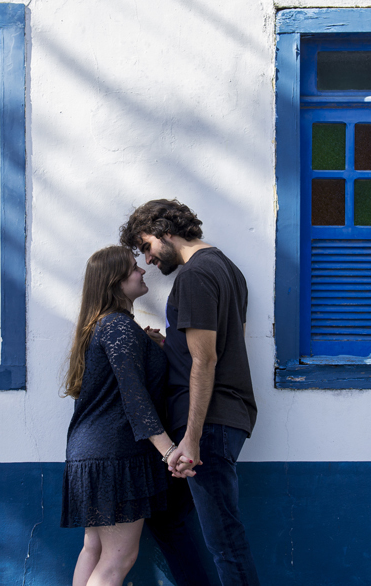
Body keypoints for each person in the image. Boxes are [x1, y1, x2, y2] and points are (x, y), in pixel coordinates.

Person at [120, 199, 261, 586]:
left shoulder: (195, 276)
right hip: (222, 418)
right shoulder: (229, 270)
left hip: (207, 425)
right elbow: (227, 344)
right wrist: (171, 349)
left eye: (146, 246)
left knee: (225, 542)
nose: (147, 259)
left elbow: (207, 360)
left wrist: (192, 439)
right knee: (167, 518)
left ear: (166, 231)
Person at [60, 245, 193, 586]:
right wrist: (169, 451)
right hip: (116, 456)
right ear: (115, 281)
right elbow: (135, 399)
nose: (142, 271)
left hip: (92, 453)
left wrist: (149, 346)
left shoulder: (105, 326)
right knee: (118, 560)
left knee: (93, 550)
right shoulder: (119, 328)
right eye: (135, 267)